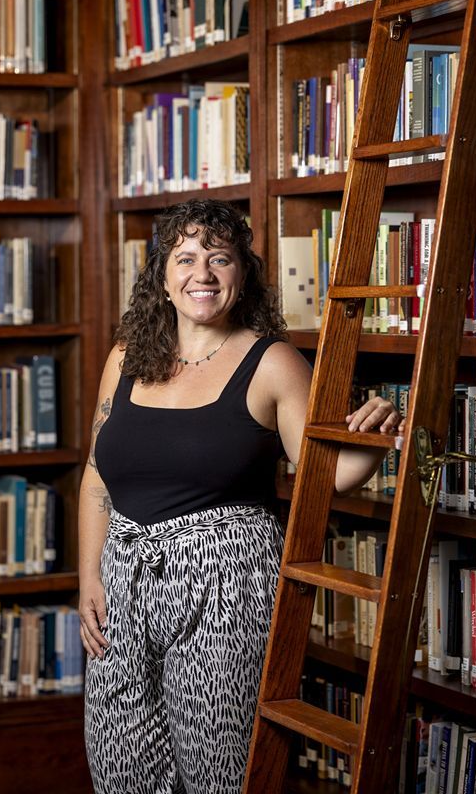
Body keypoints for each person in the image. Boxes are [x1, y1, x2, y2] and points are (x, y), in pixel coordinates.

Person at [79, 199, 402, 794]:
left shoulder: (272, 362)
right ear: (163, 277)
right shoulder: (125, 358)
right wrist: (88, 577)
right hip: (121, 579)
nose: (202, 274)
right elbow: (98, 474)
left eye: (220, 259)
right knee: (120, 767)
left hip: (225, 587)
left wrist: (376, 439)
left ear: (242, 274)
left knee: (218, 772)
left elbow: (321, 474)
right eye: (186, 259)